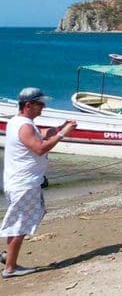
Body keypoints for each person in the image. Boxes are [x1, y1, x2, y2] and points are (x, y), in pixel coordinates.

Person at [2, 87, 76, 279]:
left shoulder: (18, 122)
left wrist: (58, 128)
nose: (43, 107)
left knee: (18, 221)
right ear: (28, 105)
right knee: (20, 224)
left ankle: (8, 258)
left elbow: (39, 134)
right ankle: (10, 268)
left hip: (19, 182)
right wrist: (62, 134)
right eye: (40, 104)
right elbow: (40, 148)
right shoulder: (25, 125)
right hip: (24, 183)